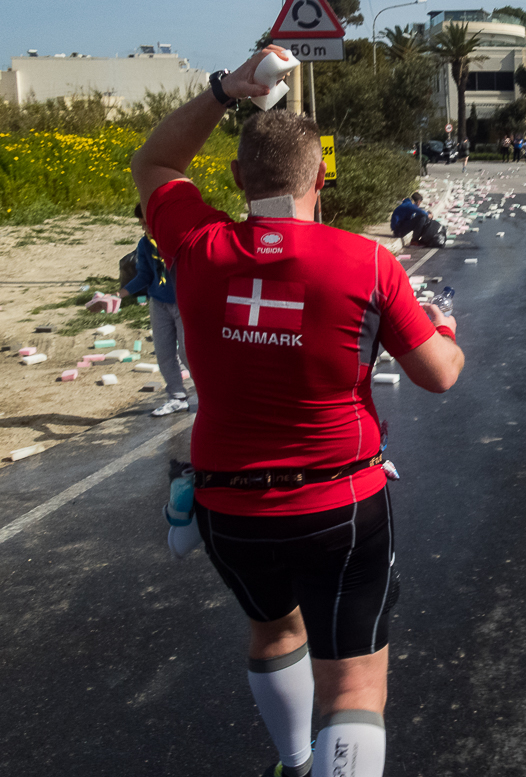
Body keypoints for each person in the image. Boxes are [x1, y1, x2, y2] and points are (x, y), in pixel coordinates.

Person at [129, 46, 465, 777]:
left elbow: (153, 164)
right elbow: (436, 377)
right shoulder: (368, 263)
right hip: (339, 500)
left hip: (229, 502)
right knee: (354, 681)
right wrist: (443, 332)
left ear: (237, 178)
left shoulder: (194, 244)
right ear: (321, 177)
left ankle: (292, 760)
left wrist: (225, 89)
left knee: (272, 631)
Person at [118, 203, 190, 415]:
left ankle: (208, 397)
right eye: (141, 224)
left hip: (183, 303)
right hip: (159, 304)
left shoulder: (181, 241)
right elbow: (143, 276)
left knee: (187, 352)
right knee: (164, 352)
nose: (144, 228)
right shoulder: (145, 245)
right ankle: (177, 397)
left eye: (146, 223)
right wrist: (119, 295)